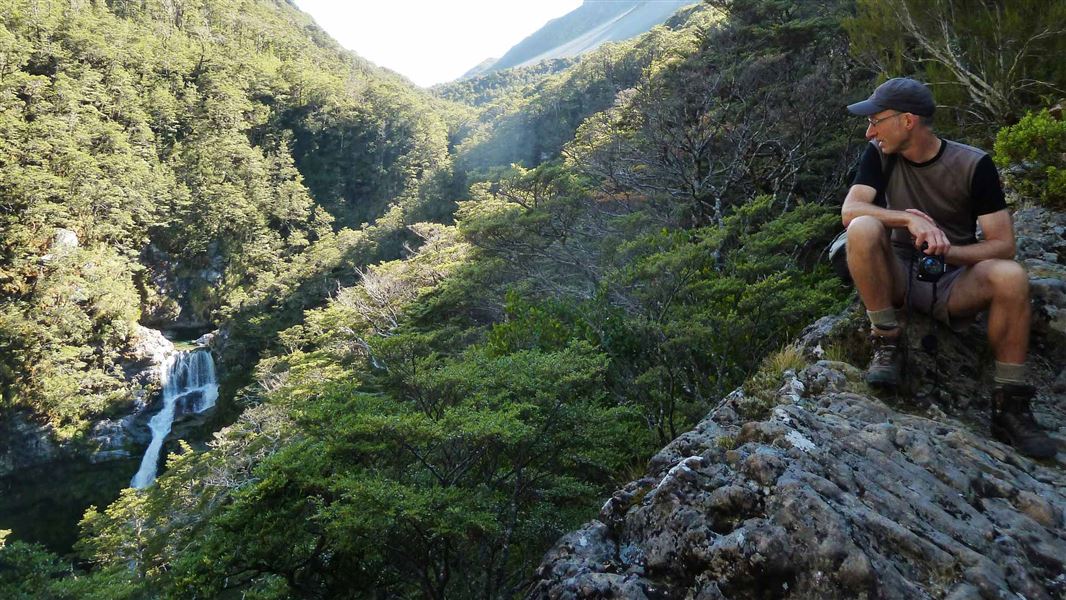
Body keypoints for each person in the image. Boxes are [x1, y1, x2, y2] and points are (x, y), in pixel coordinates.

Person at [840, 77, 1056, 459]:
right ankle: (887, 341)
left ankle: (1009, 404)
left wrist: (947, 251)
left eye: (876, 121)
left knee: (1011, 277)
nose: (869, 132)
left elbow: (1003, 245)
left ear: (907, 121)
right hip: (898, 271)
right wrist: (908, 220)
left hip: (953, 278)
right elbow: (851, 209)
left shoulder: (973, 165)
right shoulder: (879, 154)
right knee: (861, 228)